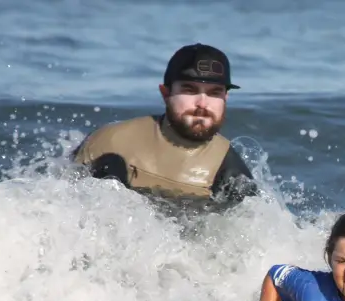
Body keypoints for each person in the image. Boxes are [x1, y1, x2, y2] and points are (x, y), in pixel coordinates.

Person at [72, 43, 257, 211]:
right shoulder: (111, 142)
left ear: (225, 98)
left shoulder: (230, 171)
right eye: (189, 90)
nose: (203, 103)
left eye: (214, 93)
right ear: (166, 93)